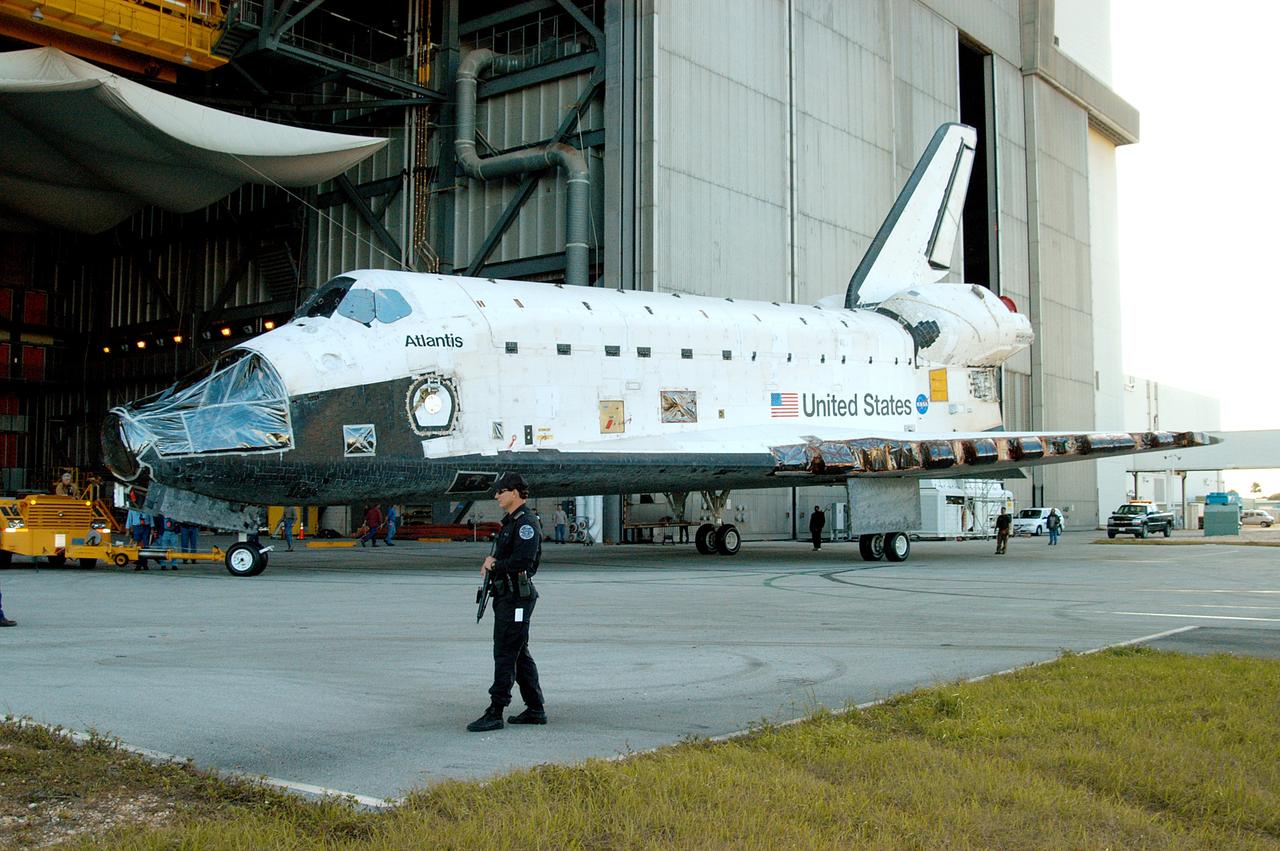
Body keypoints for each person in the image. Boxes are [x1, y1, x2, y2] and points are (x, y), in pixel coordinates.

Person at [468, 472, 545, 732]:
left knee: (505, 652)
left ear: (514, 492)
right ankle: (535, 708)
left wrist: (495, 564)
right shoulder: (512, 522)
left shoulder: (525, 523)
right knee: (518, 652)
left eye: (500, 490)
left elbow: (523, 562)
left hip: (516, 599)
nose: (496, 495)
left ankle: (495, 711)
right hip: (508, 596)